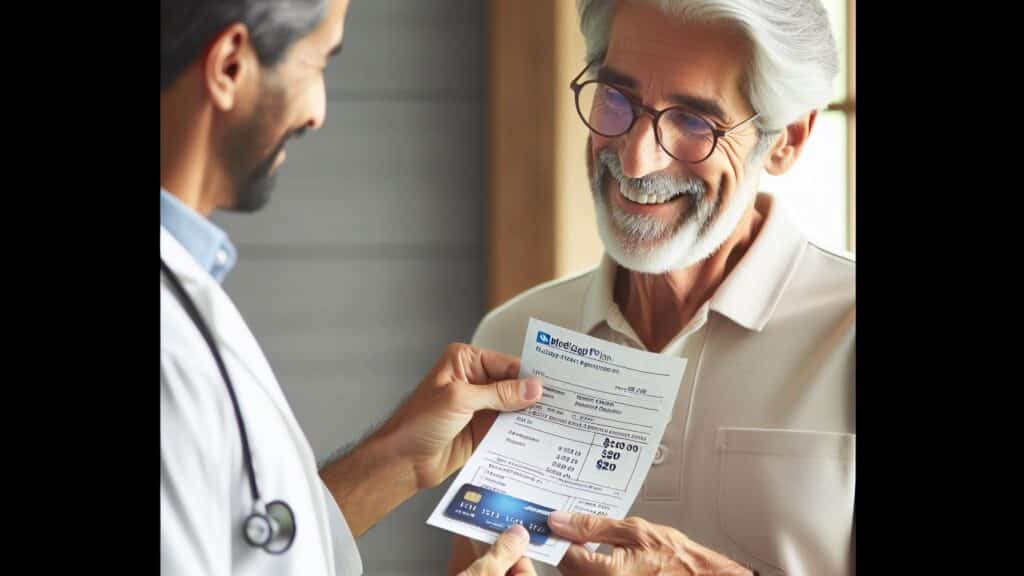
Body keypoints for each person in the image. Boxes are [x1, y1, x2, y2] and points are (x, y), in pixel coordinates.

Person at [450, 1, 854, 574]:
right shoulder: (513, 333)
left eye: (694, 121)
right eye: (617, 99)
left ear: (787, 139)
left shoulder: (846, 330)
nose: (636, 160)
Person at [161, 0, 545, 573]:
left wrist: (397, 462)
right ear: (230, 66)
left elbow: (249, 546)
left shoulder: (187, 285)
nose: (318, 112)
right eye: (317, 62)